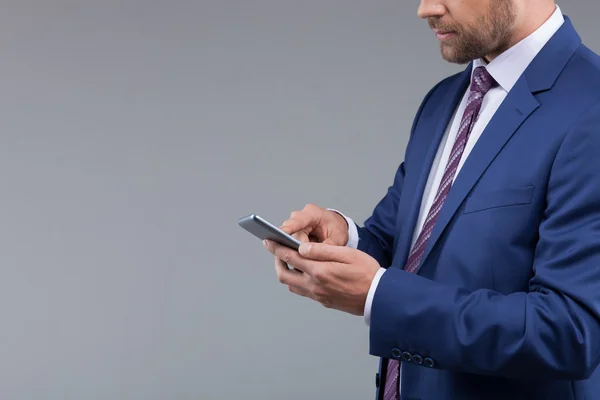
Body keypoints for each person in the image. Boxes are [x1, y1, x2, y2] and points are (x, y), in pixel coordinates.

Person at [262, 0, 600, 399]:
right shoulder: (444, 100)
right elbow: (409, 251)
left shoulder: (590, 107)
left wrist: (378, 295)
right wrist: (347, 239)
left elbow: (569, 333)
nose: (425, 9)